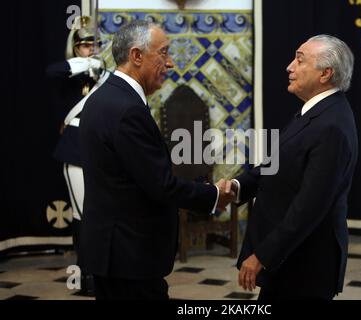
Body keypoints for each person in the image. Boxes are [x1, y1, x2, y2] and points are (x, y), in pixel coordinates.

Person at [79, 20, 235, 300]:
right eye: (163, 53)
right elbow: (160, 184)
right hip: (130, 255)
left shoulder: (104, 98)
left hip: (112, 251)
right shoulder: (127, 109)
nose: (171, 63)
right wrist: (213, 195)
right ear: (136, 56)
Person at [231, 35, 358, 300]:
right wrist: (236, 187)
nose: (289, 67)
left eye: (300, 60)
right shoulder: (315, 111)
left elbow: (309, 207)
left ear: (325, 73)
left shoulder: (331, 125)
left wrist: (262, 256)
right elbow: (276, 162)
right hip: (290, 262)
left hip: (306, 266)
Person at [45, 16, 104, 296]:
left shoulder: (103, 76)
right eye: (84, 46)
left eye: (94, 46)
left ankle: (100, 271)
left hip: (100, 148)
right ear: (76, 48)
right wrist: (84, 63)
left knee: (99, 212)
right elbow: (51, 72)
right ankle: (86, 275)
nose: (90, 50)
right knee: (83, 214)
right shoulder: (72, 72)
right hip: (76, 146)